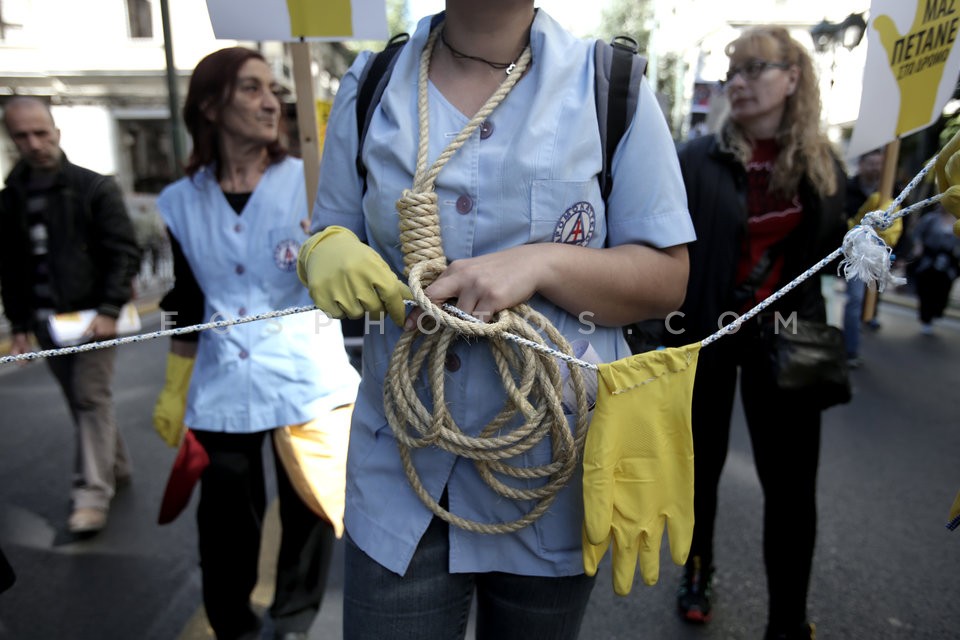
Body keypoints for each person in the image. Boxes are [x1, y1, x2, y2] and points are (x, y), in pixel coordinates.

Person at [298, 2, 695, 638]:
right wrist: (324, 249)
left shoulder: (610, 85)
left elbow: (666, 278)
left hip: (551, 475)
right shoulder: (371, 84)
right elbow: (330, 230)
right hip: (399, 472)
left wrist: (540, 265)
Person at [153, 47, 360, 640]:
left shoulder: (313, 182)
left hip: (306, 376)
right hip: (222, 385)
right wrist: (175, 385)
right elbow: (186, 301)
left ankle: (291, 623)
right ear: (210, 106)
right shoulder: (180, 201)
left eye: (273, 88)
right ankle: (235, 626)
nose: (271, 102)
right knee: (223, 522)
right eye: (251, 89)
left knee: (310, 513)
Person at [662, 27, 847, 640]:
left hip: (789, 342)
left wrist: (870, 235)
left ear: (792, 78)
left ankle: (787, 620)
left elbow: (833, 259)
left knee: (792, 491)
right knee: (699, 470)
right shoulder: (694, 158)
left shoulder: (824, 166)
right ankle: (698, 569)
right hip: (706, 336)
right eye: (730, 71)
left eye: (753, 69)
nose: (735, 83)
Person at [0, 97, 140, 535]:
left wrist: (109, 309)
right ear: (10, 139)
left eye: (41, 132)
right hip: (45, 321)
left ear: (57, 132)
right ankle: (114, 464)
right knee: (83, 401)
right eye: (22, 135)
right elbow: (11, 267)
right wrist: (19, 326)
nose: (34, 143)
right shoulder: (10, 198)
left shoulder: (94, 187)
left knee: (89, 396)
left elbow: (124, 252)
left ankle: (91, 495)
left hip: (94, 317)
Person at [842, 149, 883, 366]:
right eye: (871, 163)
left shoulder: (891, 190)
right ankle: (851, 348)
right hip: (853, 253)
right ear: (861, 164)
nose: (875, 168)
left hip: (880, 253)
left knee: (873, 295)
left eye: (879, 163)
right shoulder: (847, 188)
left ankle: (867, 321)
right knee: (856, 299)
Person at [909, 205, 960, 334]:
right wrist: (918, 246)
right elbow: (918, 233)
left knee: (942, 290)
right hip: (929, 259)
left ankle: (935, 312)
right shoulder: (931, 218)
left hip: (948, 261)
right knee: (926, 289)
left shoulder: (957, 222)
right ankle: (925, 317)